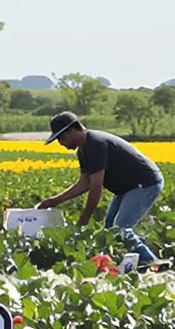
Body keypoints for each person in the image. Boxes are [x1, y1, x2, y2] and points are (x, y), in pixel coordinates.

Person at [39, 111, 166, 271]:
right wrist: (53, 201)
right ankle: (128, 262)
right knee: (109, 230)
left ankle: (153, 264)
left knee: (121, 228)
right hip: (127, 188)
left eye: (61, 138)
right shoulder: (83, 150)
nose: (61, 143)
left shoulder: (96, 144)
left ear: (72, 130)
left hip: (144, 183)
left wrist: (85, 217)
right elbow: (84, 182)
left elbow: (96, 187)